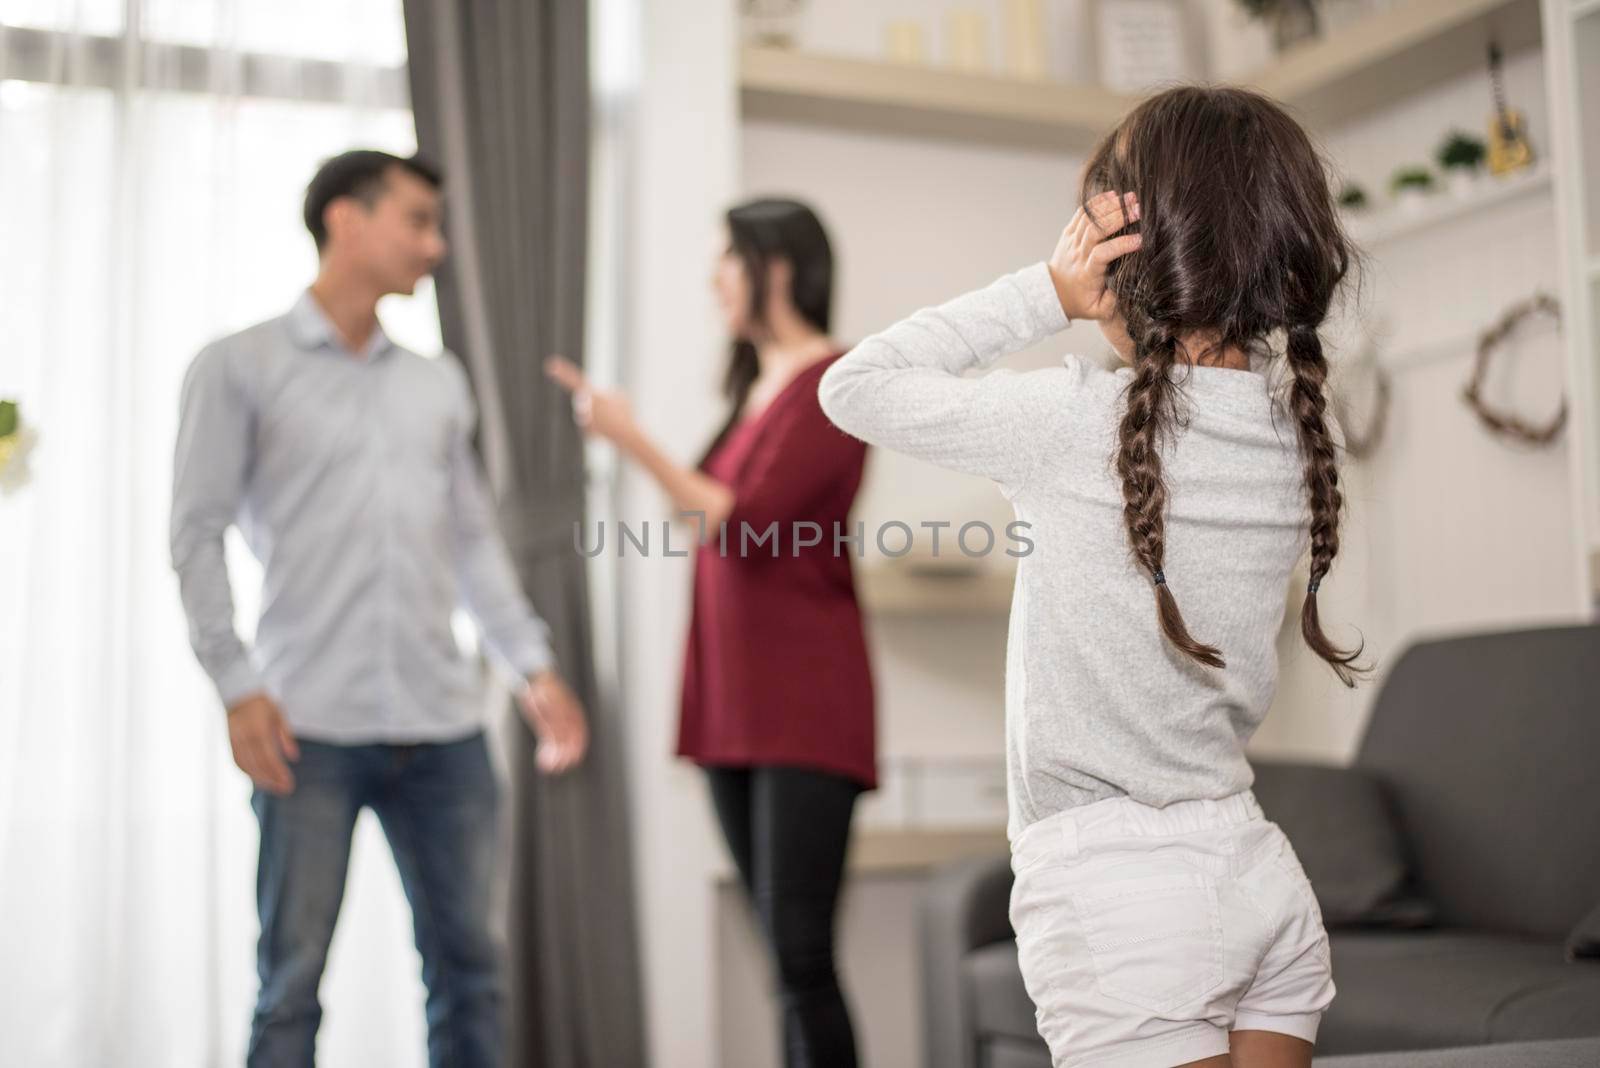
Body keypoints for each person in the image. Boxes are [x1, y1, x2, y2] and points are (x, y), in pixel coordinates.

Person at [818, 86, 1371, 1068]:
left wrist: (1046, 290)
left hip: (1118, 898)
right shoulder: (1298, 448)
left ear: (1130, 255)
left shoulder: (1075, 426)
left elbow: (853, 385)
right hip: (1258, 873)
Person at [170, 149, 590, 1068]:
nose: (436, 246)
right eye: (418, 222)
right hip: (304, 726)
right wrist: (236, 684)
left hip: (445, 730)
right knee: (290, 985)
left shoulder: (437, 381)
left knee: (472, 971)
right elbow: (194, 533)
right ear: (346, 222)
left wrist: (531, 663)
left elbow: (473, 541)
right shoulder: (237, 367)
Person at [544, 197, 874, 1067]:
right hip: (737, 697)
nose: (715, 278)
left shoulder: (833, 383)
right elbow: (707, 517)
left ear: (778, 266)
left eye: (729, 258)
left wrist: (627, 437)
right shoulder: (755, 391)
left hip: (804, 703)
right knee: (781, 956)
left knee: (801, 957)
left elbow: (745, 518)